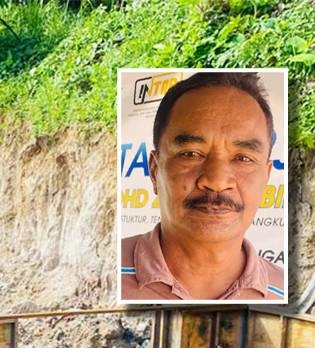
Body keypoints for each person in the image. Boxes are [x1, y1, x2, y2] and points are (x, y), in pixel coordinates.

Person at [120, 72, 284, 301]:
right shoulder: (103, 275)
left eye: (243, 158)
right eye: (191, 154)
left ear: (266, 177)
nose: (216, 180)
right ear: (155, 170)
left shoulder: (286, 292)